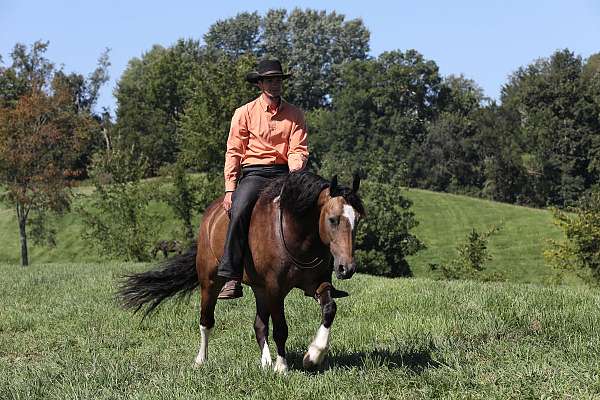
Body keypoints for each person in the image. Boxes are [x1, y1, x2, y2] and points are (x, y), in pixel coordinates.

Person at [217, 59, 308, 299]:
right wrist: (230, 189)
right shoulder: (244, 113)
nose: (274, 84)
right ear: (260, 83)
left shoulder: (295, 114)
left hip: (285, 172)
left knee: (315, 205)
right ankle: (232, 275)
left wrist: (296, 176)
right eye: (269, 80)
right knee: (239, 208)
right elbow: (234, 151)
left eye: (277, 79)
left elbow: (297, 149)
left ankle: (319, 274)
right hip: (255, 173)